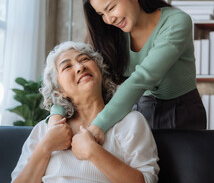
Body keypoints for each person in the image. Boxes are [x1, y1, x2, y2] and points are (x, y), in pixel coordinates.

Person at [49, 0, 206, 143]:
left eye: (111, 8)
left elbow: (142, 78)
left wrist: (98, 126)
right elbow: (72, 80)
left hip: (182, 112)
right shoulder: (110, 35)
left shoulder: (176, 22)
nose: (109, 19)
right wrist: (56, 117)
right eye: (101, 14)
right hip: (137, 110)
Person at [11, 41, 159, 183]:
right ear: (60, 91)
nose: (80, 67)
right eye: (67, 67)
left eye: (84, 59)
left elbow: (146, 181)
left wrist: (93, 151)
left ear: (100, 71)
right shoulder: (45, 129)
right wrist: (46, 146)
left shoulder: (130, 122)